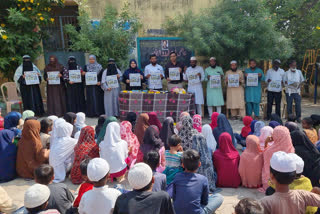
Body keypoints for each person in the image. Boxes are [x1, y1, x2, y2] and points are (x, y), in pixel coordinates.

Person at [172, 149, 223, 214]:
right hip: (197, 212)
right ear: (199, 164)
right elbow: (205, 202)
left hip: (178, 211)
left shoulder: (177, 177)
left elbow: (174, 198)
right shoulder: (203, 179)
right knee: (218, 197)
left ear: (183, 165)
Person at [262, 126, 295, 190]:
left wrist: (266, 143)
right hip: (287, 183)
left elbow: (265, 157)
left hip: (271, 182)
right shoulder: (290, 148)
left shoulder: (270, 151)